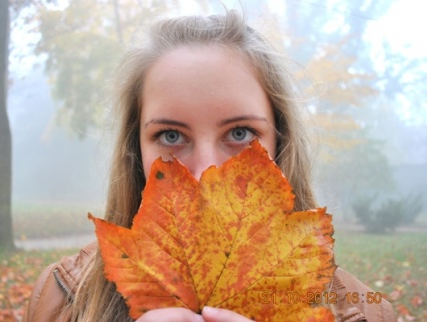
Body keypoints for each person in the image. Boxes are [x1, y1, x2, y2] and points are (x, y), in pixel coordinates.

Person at [23, 10, 395, 322]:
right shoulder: (62, 299)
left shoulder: (362, 310)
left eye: (240, 133)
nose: (204, 174)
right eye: (171, 136)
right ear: (135, 148)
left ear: (280, 141)